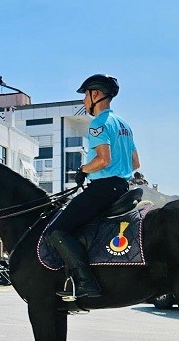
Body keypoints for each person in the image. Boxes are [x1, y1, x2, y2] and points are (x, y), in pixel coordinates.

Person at [44, 74, 139, 301]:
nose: (84, 102)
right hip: (123, 187)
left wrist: (84, 169)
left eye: (85, 96)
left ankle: (86, 282)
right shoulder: (124, 125)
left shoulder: (98, 123)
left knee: (56, 231)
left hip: (104, 188)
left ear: (95, 94)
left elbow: (103, 160)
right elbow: (136, 164)